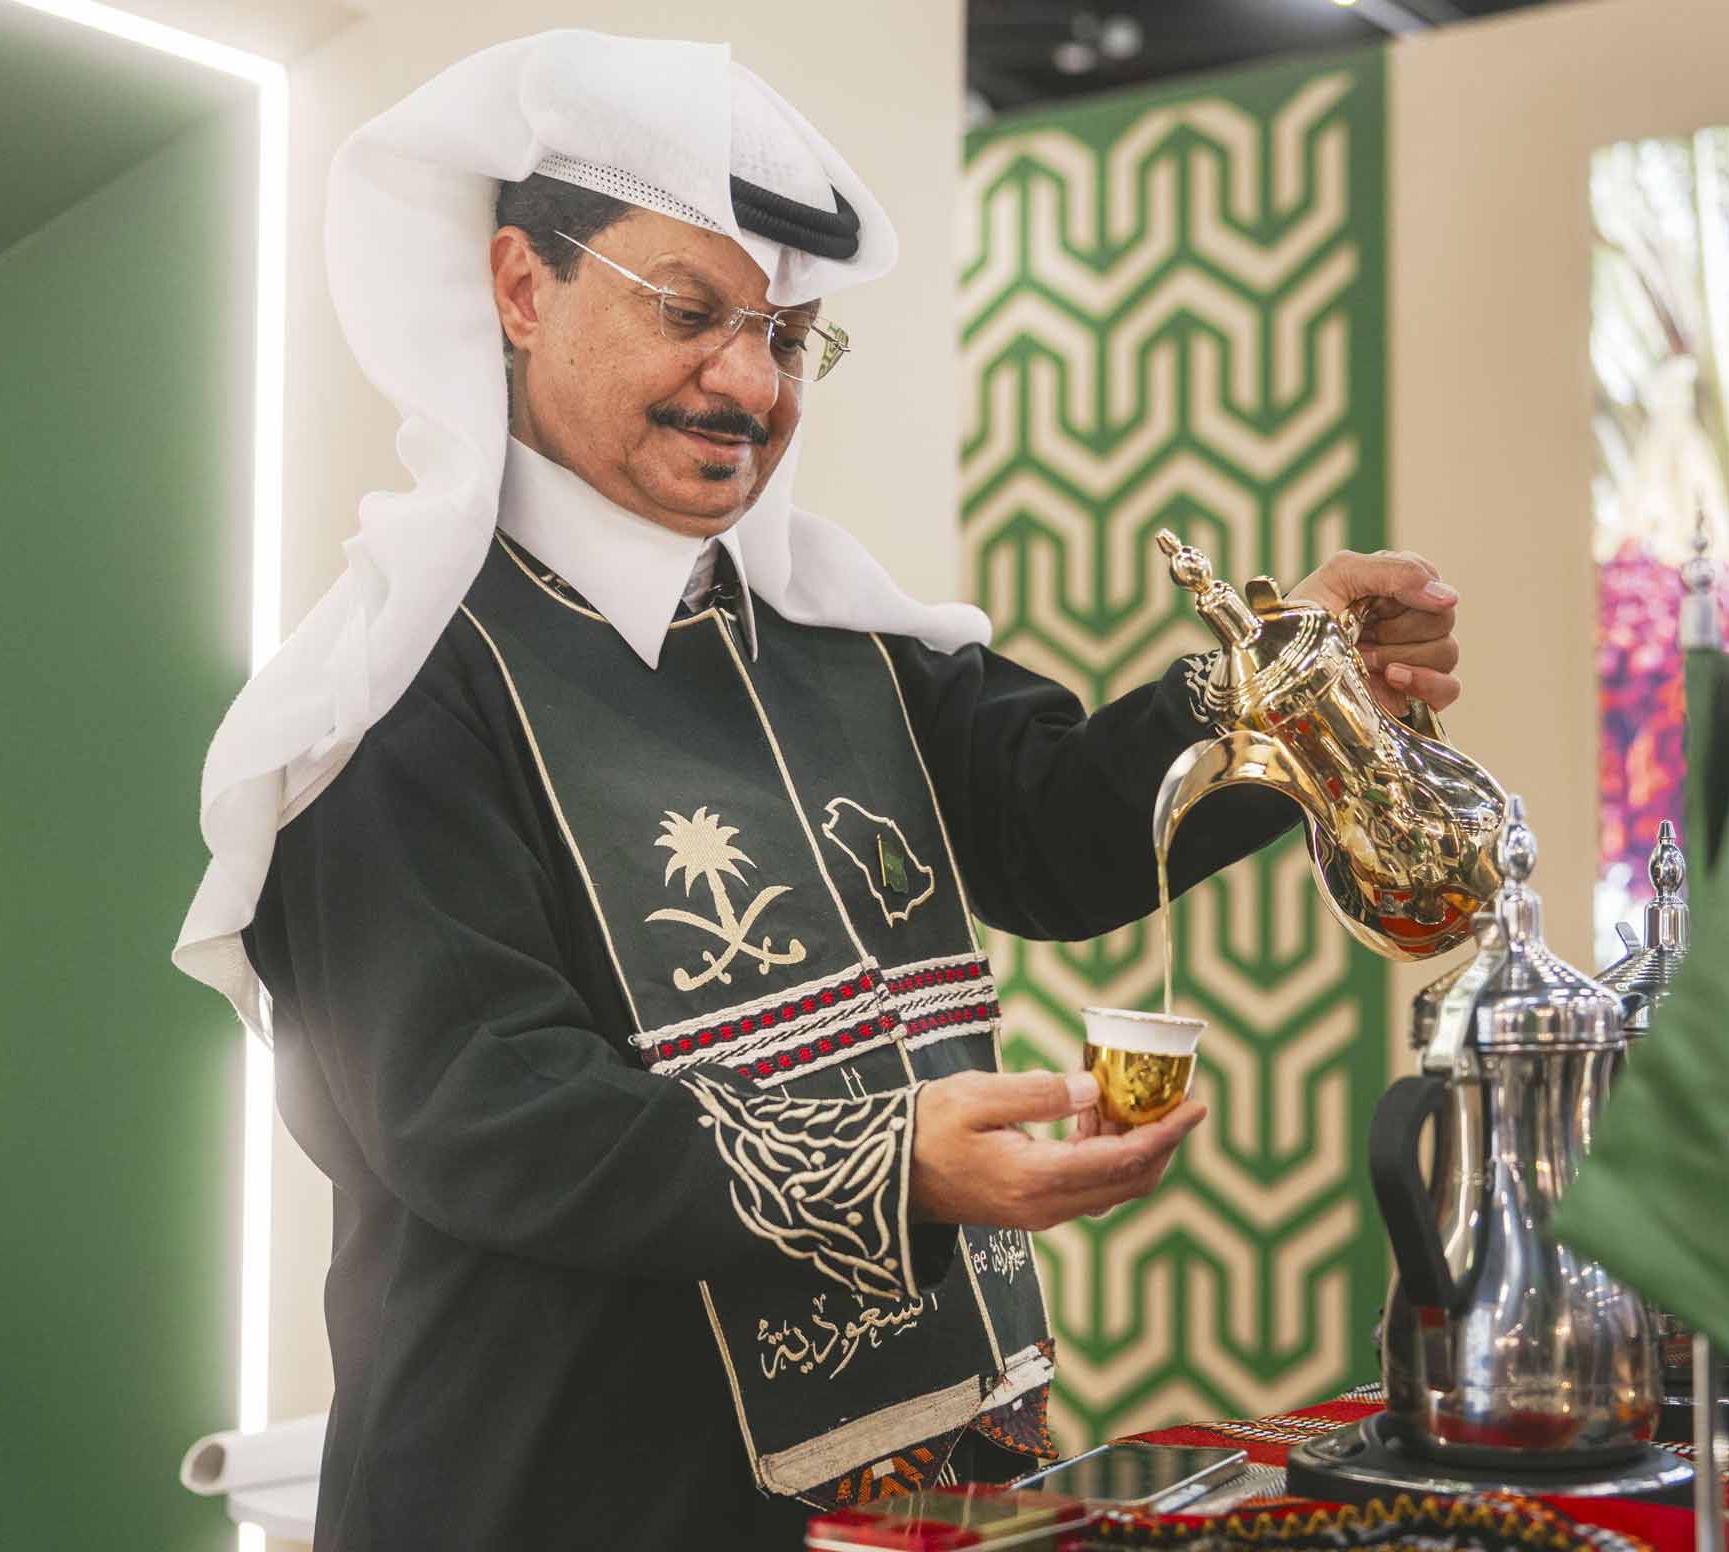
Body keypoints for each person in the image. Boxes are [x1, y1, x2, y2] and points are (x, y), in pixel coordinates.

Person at [173, 29, 1464, 1551]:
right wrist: (888, 1163)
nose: (749, 382)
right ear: (522, 288)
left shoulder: (840, 640)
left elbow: (1053, 834)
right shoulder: (391, 698)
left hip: (912, 1500)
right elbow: (486, 1114)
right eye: (693, 313)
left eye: (788, 335)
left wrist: (1284, 694)